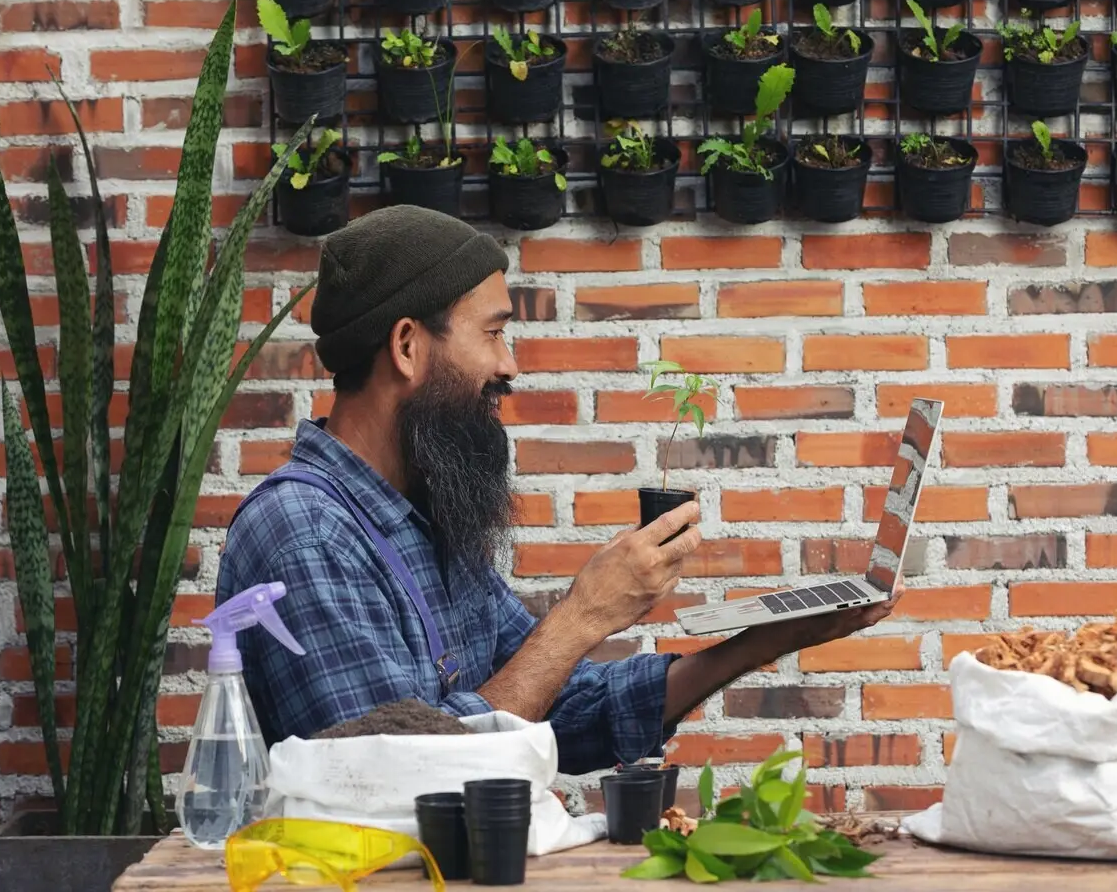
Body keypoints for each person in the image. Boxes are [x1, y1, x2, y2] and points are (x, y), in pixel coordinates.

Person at [215, 206, 902, 775]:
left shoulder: (423, 518)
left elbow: (564, 708)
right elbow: (393, 776)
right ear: (406, 346)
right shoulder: (306, 534)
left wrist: (761, 641)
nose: (508, 365)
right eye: (493, 334)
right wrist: (583, 615)